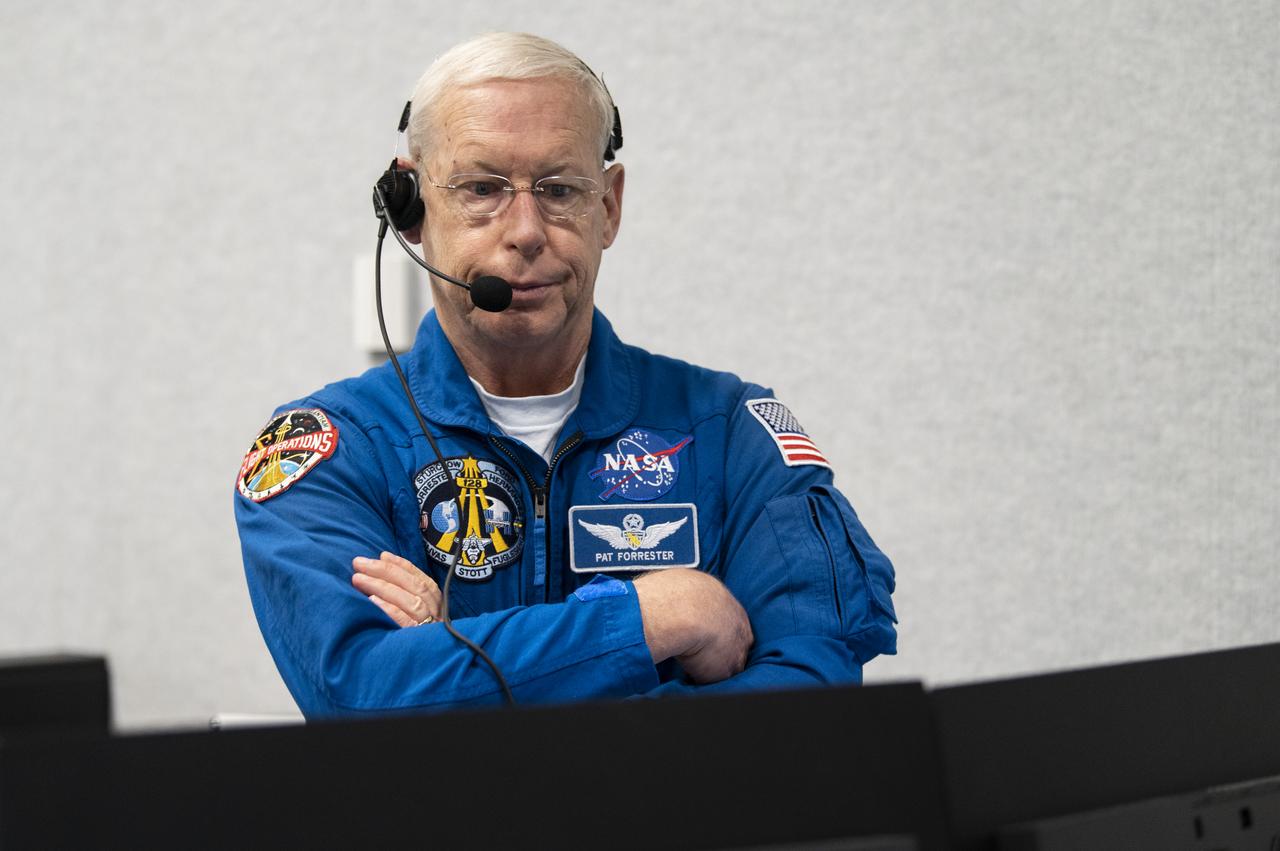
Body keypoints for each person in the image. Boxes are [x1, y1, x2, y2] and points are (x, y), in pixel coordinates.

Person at [233, 32, 897, 718]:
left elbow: (812, 697)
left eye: (558, 189)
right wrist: (652, 618)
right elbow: (359, 693)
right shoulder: (325, 452)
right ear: (410, 207)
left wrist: (449, 663)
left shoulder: (732, 435)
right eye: (482, 188)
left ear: (607, 206)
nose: (525, 230)